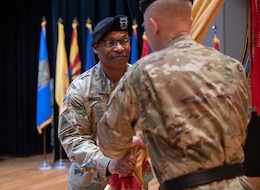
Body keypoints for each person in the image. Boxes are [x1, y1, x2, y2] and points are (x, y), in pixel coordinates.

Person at [97, 0, 254, 190]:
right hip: (238, 184)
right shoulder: (233, 67)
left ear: (154, 26)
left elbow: (109, 142)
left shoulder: (145, 71)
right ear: (190, 21)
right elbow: (242, 129)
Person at [58, 15, 139, 190]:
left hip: (135, 179)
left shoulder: (142, 81)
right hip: (92, 183)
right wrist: (109, 163)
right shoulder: (80, 89)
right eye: (111, 43)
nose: (120, 48)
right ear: (96, 47)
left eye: (124, 41)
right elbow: (72, 138)